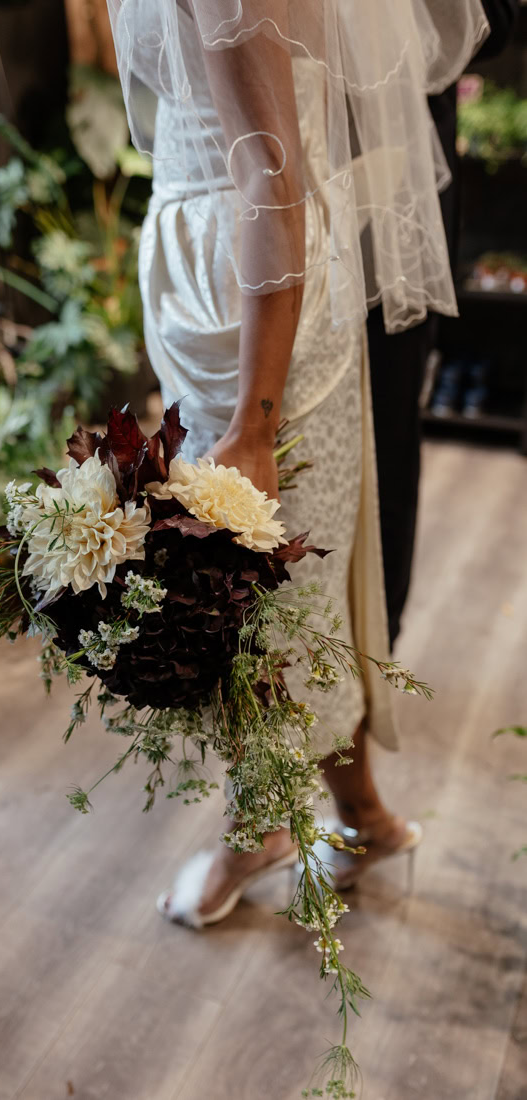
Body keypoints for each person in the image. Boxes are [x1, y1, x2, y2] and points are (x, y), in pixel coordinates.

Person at [105, 0, 489, 924]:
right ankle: (356, 813)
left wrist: (252, 419)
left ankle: (267, 826)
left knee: (261, 604)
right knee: (287, 596)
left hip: (253, 315)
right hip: (218, 293)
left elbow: (272, 183)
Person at [369, 0, 520, 649]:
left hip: (401, 199)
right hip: (282, 197)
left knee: (389, 423)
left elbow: (496, 22)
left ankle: (379, 640)